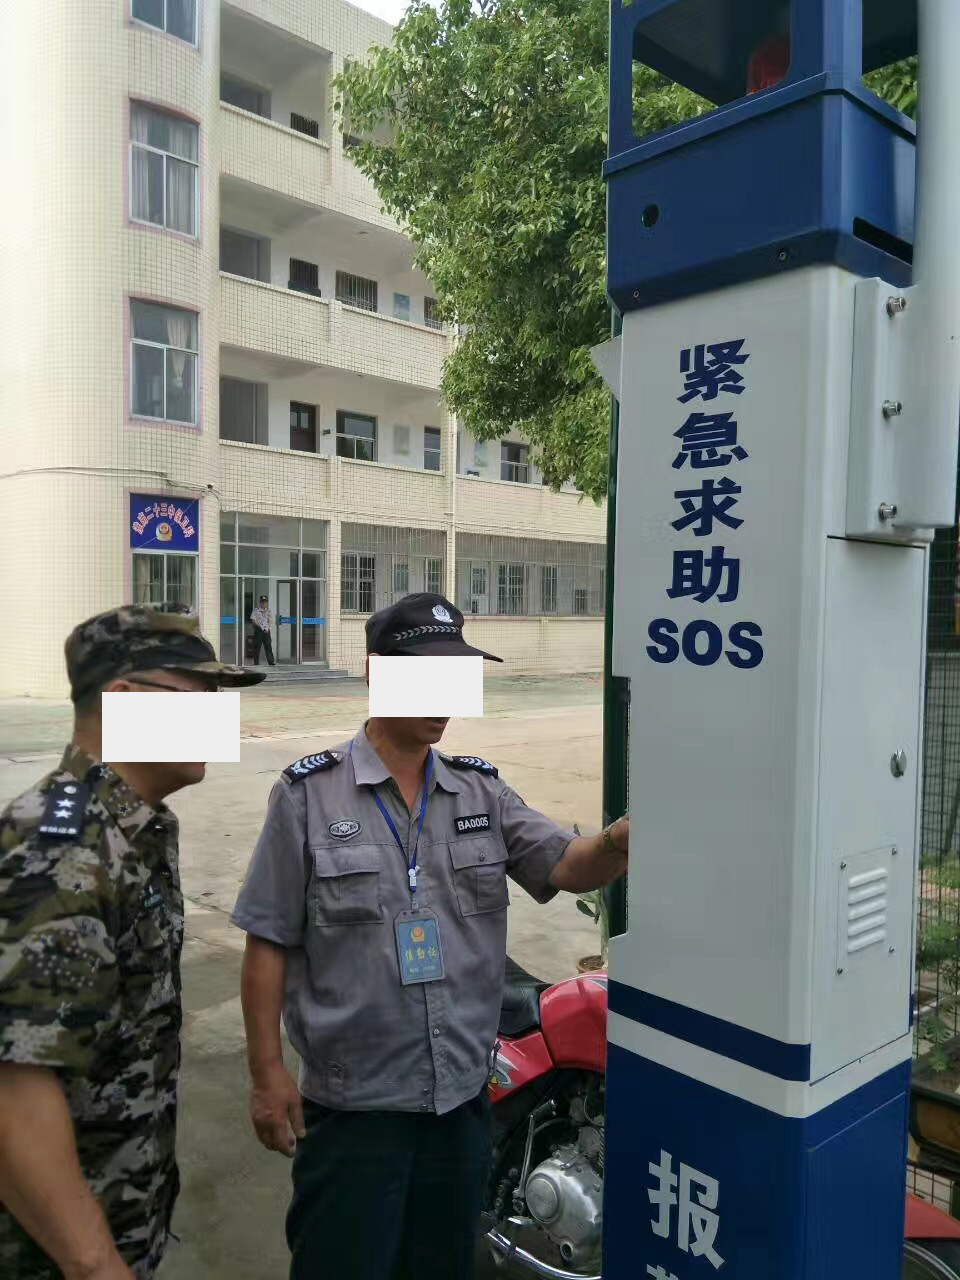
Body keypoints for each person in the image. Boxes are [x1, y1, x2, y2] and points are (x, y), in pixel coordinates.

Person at [232, 592, 629, 1280]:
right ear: (376, 672)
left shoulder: (481, 794)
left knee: (442, 1265)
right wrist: (267, 1074)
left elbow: (568, 864)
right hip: (356, 1111)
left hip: (461, 1103)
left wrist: (620, 841)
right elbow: (268, 940)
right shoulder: (307, 796)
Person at [0, 604, 265, 1280]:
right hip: (50, 1254)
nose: (219, 721)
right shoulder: (60, 846)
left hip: (122, 1212)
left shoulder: (133, 829)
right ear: (123, 699)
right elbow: (15, 1086)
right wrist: (94, 1264)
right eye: (199, 698)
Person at [249, 596, 276, 667]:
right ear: (260, 603)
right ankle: (256, 662)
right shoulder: (256, 610)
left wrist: (267, 628)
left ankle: (271, 661)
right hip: (259, 631)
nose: (264, 604)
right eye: (262, 602)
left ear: (267, 603)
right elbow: (253, 620)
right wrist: (261, 627)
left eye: (265, 602)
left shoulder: (269, 611)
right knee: (257, 647)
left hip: (266, 631)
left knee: (268, 646)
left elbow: (271, 621)